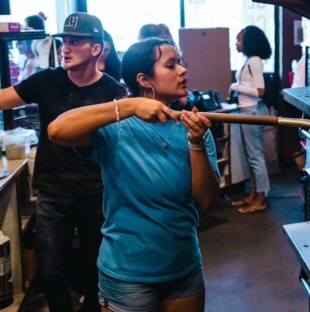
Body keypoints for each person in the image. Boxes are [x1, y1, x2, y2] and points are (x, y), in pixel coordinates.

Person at [0, 12, 127, 312]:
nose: (66, 47)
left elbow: (122, 144)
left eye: (76, 42)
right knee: (50, 272)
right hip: (53, 192)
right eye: (64, 41)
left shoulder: (113, 91)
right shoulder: (47, 80)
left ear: (96, 49)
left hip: (98, 192)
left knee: (97, 269)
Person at [48, 38, 220, 312]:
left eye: (181, 63)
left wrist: (196, 143)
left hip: (183, 267)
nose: (183, 71)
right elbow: (57, 131)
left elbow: (207, 200)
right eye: (171, 65)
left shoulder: (192, 128)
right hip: (127, 275)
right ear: (143, 79)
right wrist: (127, 106)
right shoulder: (116, 127)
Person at [229, 25, 272, 214]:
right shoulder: (249, 60)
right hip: (248, 110)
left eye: (239, 40)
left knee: (255, 157)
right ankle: (253, 194)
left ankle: (260, 199)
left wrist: (235, 86)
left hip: (252, 111)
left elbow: (260, 91)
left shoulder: (254, 61)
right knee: (252, 156)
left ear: (248, 42)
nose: (236, 43)